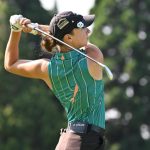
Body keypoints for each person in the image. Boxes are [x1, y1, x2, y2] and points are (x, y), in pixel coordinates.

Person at [4, 11, 105, 150]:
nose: (87, 30)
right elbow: (85, 43)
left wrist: (16, 30)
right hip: (81, 142)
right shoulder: (93, 56)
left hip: (73, 141)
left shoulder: (47, 68)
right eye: (82, 27)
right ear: (68, 37)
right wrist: (36, 27)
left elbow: (11, 64)